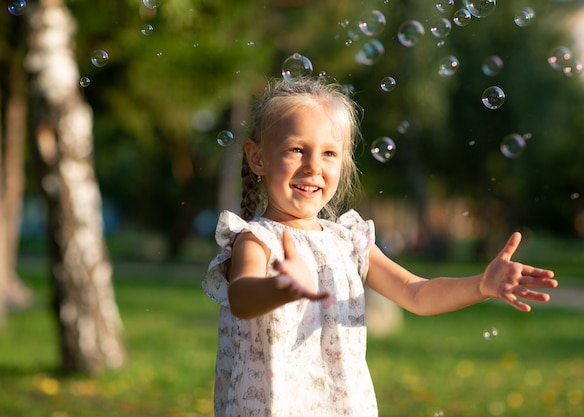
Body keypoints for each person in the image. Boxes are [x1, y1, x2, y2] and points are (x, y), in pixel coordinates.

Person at [202, 77, 557, 417]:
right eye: (296, 149)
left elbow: (416, 293)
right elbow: (242, 298)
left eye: (328, 153)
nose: (313, 166)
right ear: (258, 157)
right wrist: (281, 286)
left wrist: (482, 285)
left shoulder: (348, 241)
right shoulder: (256, 239)